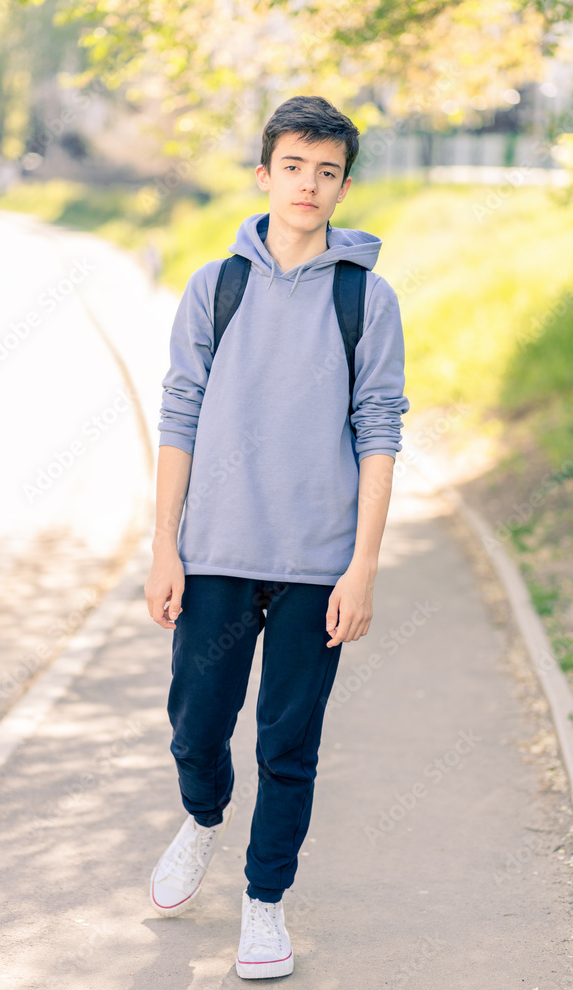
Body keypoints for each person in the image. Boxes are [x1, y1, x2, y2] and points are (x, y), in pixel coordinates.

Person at [144, 93, 409, 980]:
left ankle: (264, 903)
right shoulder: (215, 285)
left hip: (316, 564)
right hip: (216, 551)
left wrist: (362, 566)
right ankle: (203, 817)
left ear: (341, 187)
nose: (309, 184)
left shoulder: (363, 297)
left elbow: (378, 427)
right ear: (264, 176)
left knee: (288, 743)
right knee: (195, 729)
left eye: (326, 172)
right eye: (293, 167)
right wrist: (162, 545)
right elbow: (179, 412)